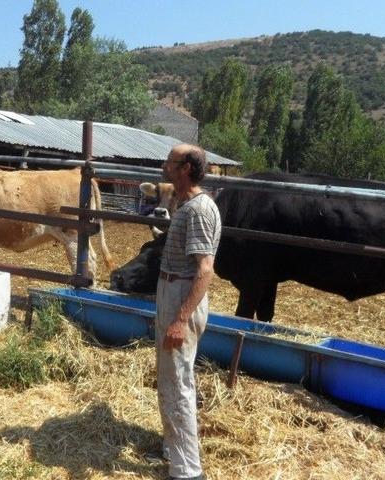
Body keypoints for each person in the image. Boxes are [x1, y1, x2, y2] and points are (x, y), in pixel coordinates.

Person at [153, 144, 220, 480]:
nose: (165, 165)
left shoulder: (198, 210)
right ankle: (173, 447)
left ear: (186, 169)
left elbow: (205, 269)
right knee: (170, 376)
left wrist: (180, 318)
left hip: (181, 294)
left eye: (171, 161)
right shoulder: (185, 205)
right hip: (173, 289)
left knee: (177, 381)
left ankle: (188, 472)